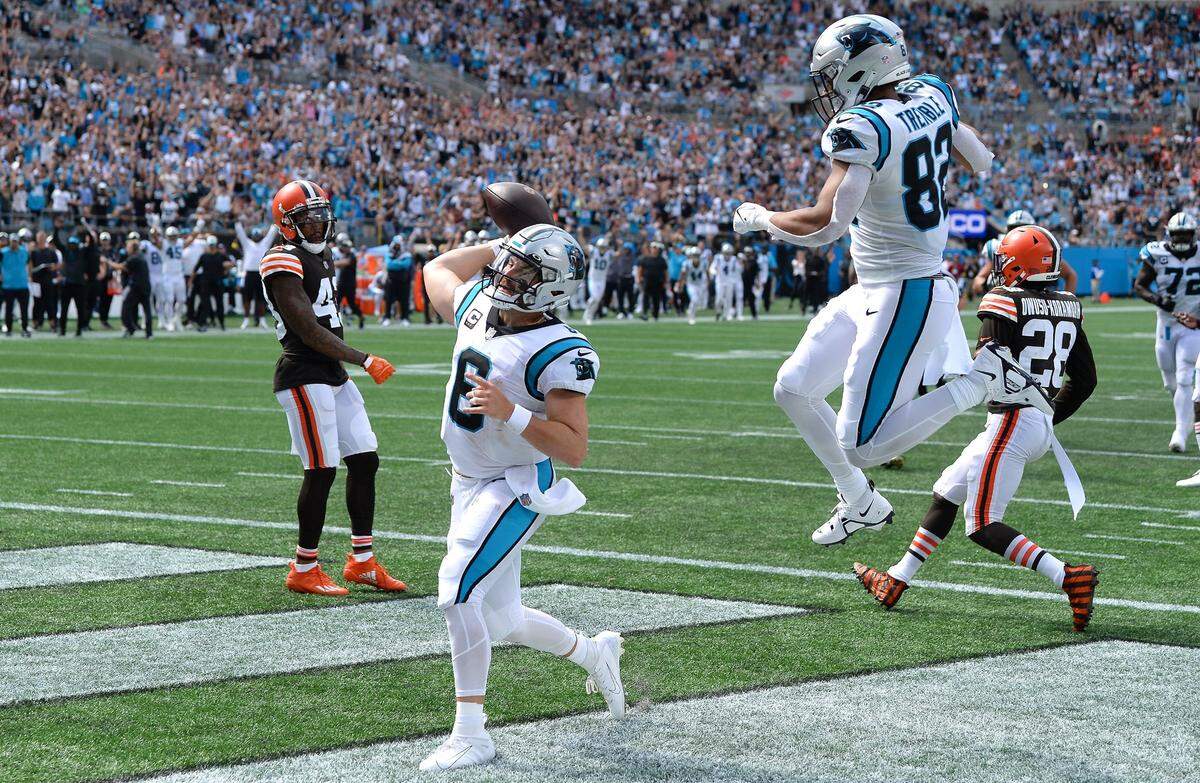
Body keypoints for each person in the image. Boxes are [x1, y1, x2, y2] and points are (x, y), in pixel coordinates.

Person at [733, 14, 1051, 546]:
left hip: (908, 289)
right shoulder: (932, 91)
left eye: (834, 74)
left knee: (861, 441)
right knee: (792, 388)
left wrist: (762, 219)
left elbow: (826, 224)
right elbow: (979, 157)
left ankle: (984, 380)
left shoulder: (863, 128)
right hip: (879, 285)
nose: (829, 88)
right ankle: (859, 499)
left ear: (861, 67)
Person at [419, 223, 625, 772]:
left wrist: (511, 410)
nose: (505, 273)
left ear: (551, 288)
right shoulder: (480, 306)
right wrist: (503, 242)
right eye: (508, 263)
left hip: (514, 483)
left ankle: (471, 734)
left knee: (457, 592)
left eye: (522, 270)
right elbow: (435, 270)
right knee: (502, 618)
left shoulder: (562, 350)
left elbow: (574, 447)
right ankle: (593, 652)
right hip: (466, 481)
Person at [853, 226, 1100, 632]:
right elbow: (1085, 380)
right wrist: (1045, 417)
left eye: (1005, 258)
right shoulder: (1069, 305)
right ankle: (897, 579)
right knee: (946, 492)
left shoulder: (1004, 299)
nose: (999, 266)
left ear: (1018, 263)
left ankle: (1068, 577)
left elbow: (987, 366)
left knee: (982, 523)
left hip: (1012, 421)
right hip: (1030, 421)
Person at [259, 180, 405, 596]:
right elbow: (306, 328)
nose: (318, 225)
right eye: (307, 218)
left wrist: (349, 363)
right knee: (321, 468)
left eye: (322, 216)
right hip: (303, 373)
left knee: (364, 458)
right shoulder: (280, 259)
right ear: (287, 224)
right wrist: (364, 358)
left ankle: (361, 561)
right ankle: (304, 566)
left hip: (331, 375)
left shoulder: (322, 257)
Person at [1133, 211, 1200, 453]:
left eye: (1186, 234)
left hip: (1193, 326)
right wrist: (1158, 299)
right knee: (1170, 383)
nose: (1182, 239)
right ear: (1169, 235)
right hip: (1166, 325)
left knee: (1184, 378)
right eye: (1178, 234)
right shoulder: (1157, 253)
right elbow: (1139, 285)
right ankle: (1188, 415)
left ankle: (1180, 433)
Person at [236, 220, 277, 329]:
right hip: (249, 274)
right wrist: (237, 223)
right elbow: (240, 234)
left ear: (260, 236)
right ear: (252, 236)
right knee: (247, 298)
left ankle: (262, 320)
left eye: (258, 235)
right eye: (254, 235)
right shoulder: (247, 244)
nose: (256, 237)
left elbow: (272, 233)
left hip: (261, 274)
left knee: (261, 298)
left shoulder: (265, 243)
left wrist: (275, 222)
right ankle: (245, 319)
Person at [112, 233, 153, 338]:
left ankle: (130, 328)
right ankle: (149, 333)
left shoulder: (133, 258)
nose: (127, 249)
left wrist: (107, 262)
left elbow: (121, 267)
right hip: (145, 285)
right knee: (146, 310)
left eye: (128, 247)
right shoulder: (140, 256)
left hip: (136, 286)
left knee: (125, 307)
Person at [56, 230, 91, 337]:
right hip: (67, 284)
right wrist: (57, 229)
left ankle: (79, 330)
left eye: (73, 244)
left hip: (79, 285)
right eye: (70, 244)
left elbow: (91, 244)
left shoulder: (82, 253)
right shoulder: (66, 252)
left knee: (80, 309)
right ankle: (62, 329)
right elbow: (57, 242)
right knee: (64, 309)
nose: (72, 246)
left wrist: (87, 232)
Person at [195, 235, 232, 331]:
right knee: (205, 304)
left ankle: (221, 323)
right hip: (206, 282)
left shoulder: (221, 255)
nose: (211, 247)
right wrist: (190, 281)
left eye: (213, 245)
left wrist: (226, 266)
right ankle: (203, 323)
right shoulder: (204, 256)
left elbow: (231, 263)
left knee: (219, 304)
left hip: (217, 282)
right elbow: (195, 269)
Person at [1, 231, 32, 337]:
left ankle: (24, 328)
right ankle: (8, 328)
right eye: (12, 242)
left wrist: (30, 275)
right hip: (8, 285)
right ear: (9, 242)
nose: (13, 244)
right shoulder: (3, 252)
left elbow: (29, 263)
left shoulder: (24, 251)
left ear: (18, 242)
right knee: (8, 310)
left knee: (24, 310)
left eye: (15, 242)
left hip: (22, 284)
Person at [332, 232, 365, 329]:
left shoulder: (351, 255)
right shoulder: (338, 252)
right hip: (341, 283)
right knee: (336, 303)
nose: (346, 248)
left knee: (352, 305)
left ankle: (361, 317)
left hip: (350, 284)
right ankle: (336, 322)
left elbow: (345, 263)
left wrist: (332, 263)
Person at [157, 227, 187, 332]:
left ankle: (176, 318)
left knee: (182, 300)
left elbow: (189, 241)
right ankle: (169, 321)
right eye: (171, 236)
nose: (173, 238)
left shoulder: (180, 242)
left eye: (174, 236)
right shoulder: (164, 243)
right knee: (169, 300)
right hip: (167, 275)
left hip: (179, 274)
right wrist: (155, 227)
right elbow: (157, 242)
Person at [29, 231, 59, 332]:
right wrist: (31, 276)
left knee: (50, 303)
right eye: (39, 237)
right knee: (37, 303)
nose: (41, 239)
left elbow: (57, 264)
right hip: (37, 281)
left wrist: (52, 267)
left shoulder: (50, 251)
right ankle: (36, 323)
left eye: (42, 237)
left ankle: (53, 324)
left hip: (48, 281)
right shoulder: (34, 252)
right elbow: (30, 266)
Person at [382, 234, 413, 326]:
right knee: (388, 300)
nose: (397, 247)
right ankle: (387, 318)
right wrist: (398, 264)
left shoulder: (406, 254)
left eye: (399, 245)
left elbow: (406, 265)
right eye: (396, 244)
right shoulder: (389, 253)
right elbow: (389, 265)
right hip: (391, 280)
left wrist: (395, 263)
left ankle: (405, 318)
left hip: (403, 281)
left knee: (404, 300)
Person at [583, 235, 612, 325]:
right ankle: (588, 316)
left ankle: (589, 314)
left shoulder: (609, 254)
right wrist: (580, 235)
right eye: (601, 247)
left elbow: (618, 254)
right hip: (593, 279)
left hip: (602, 280)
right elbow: (585, 246)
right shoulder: (593, 252)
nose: (602, 249)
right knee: (594, 298)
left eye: (604, 247)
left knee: (597, 300)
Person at [638, 240, 669, 320]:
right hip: (647, 281)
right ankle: (644, 313)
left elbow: (665, 271)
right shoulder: (645, 259)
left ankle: (655, 314)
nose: (655, 250)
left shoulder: (661, 260)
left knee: (656, 299)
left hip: (658, 282)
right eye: (653, 248)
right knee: (646, 298)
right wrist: (639, 278)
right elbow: (640, 269)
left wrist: (666, 281)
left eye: (656, 248)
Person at [679, 245, 708, 325]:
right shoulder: (687, 263)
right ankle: (691, 317)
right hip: (691, 284)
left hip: (700, 284)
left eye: (697, 255)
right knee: (694, 299)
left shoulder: (704, 263)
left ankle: (690, 312)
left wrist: (708, 282)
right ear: (691, 255)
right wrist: (680, 284)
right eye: (694, 255)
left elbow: (707, 272)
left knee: (697, 302)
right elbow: (683, 274)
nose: (695, 257)